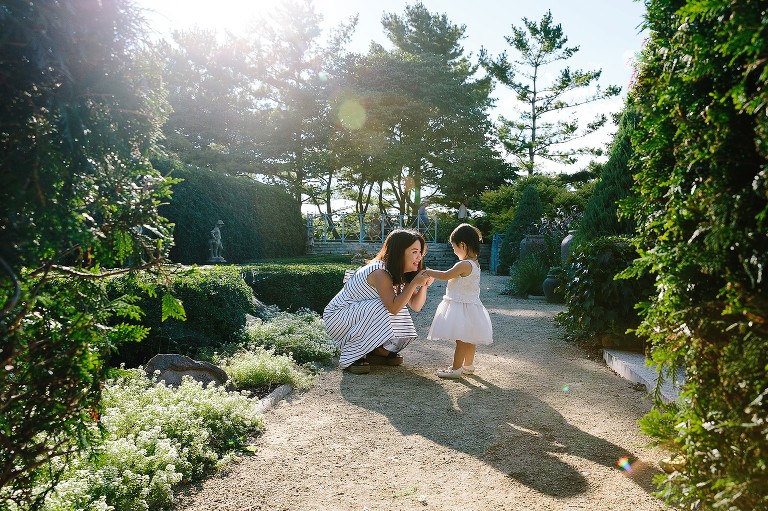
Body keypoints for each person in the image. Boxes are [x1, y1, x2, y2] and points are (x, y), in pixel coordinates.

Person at [323, 229, 434, 374]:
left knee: (397, 303)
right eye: (414, 251)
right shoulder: (379, 272)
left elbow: (416, 306)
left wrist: (423, 285)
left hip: (355, 316)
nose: (419, 257)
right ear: (399, 252)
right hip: (338, 318)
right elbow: (393, 308)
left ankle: (376, 349)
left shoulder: (401, 272)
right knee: (388, 305)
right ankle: (351, 356)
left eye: (420, 252)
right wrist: (414, 284)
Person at [422, 223, 493, 379]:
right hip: (471, 306)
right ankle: (468, 366)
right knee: (470, 338)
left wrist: (427, 272)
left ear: (463, 245)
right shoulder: (475, 263)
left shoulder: (464, 264)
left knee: (461, 339)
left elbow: (445, 275)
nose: (453, 250)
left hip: (461, 306)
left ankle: (455, 369)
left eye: (454, 247)